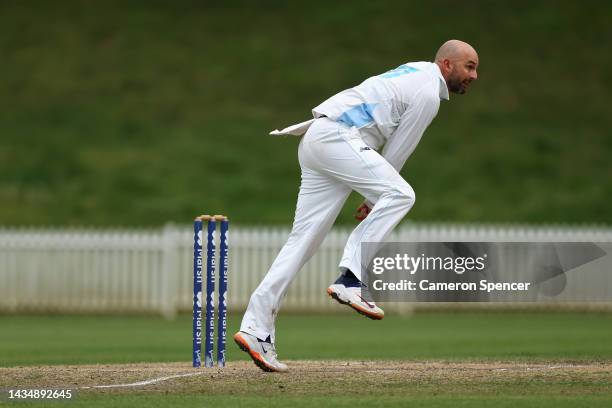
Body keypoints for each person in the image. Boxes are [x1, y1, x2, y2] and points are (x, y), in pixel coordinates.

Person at [234, 40, 479, 372]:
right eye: (469, 66)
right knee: (402, 195)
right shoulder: (427, 91)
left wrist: (372, 194)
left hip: (319, 139)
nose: (474, 75)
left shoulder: (417, 71)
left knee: (302, 241)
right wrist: (373, 196)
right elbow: (400, 148)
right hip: (338, 137)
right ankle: (350, 279)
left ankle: (255, 328)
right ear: (447, 65)